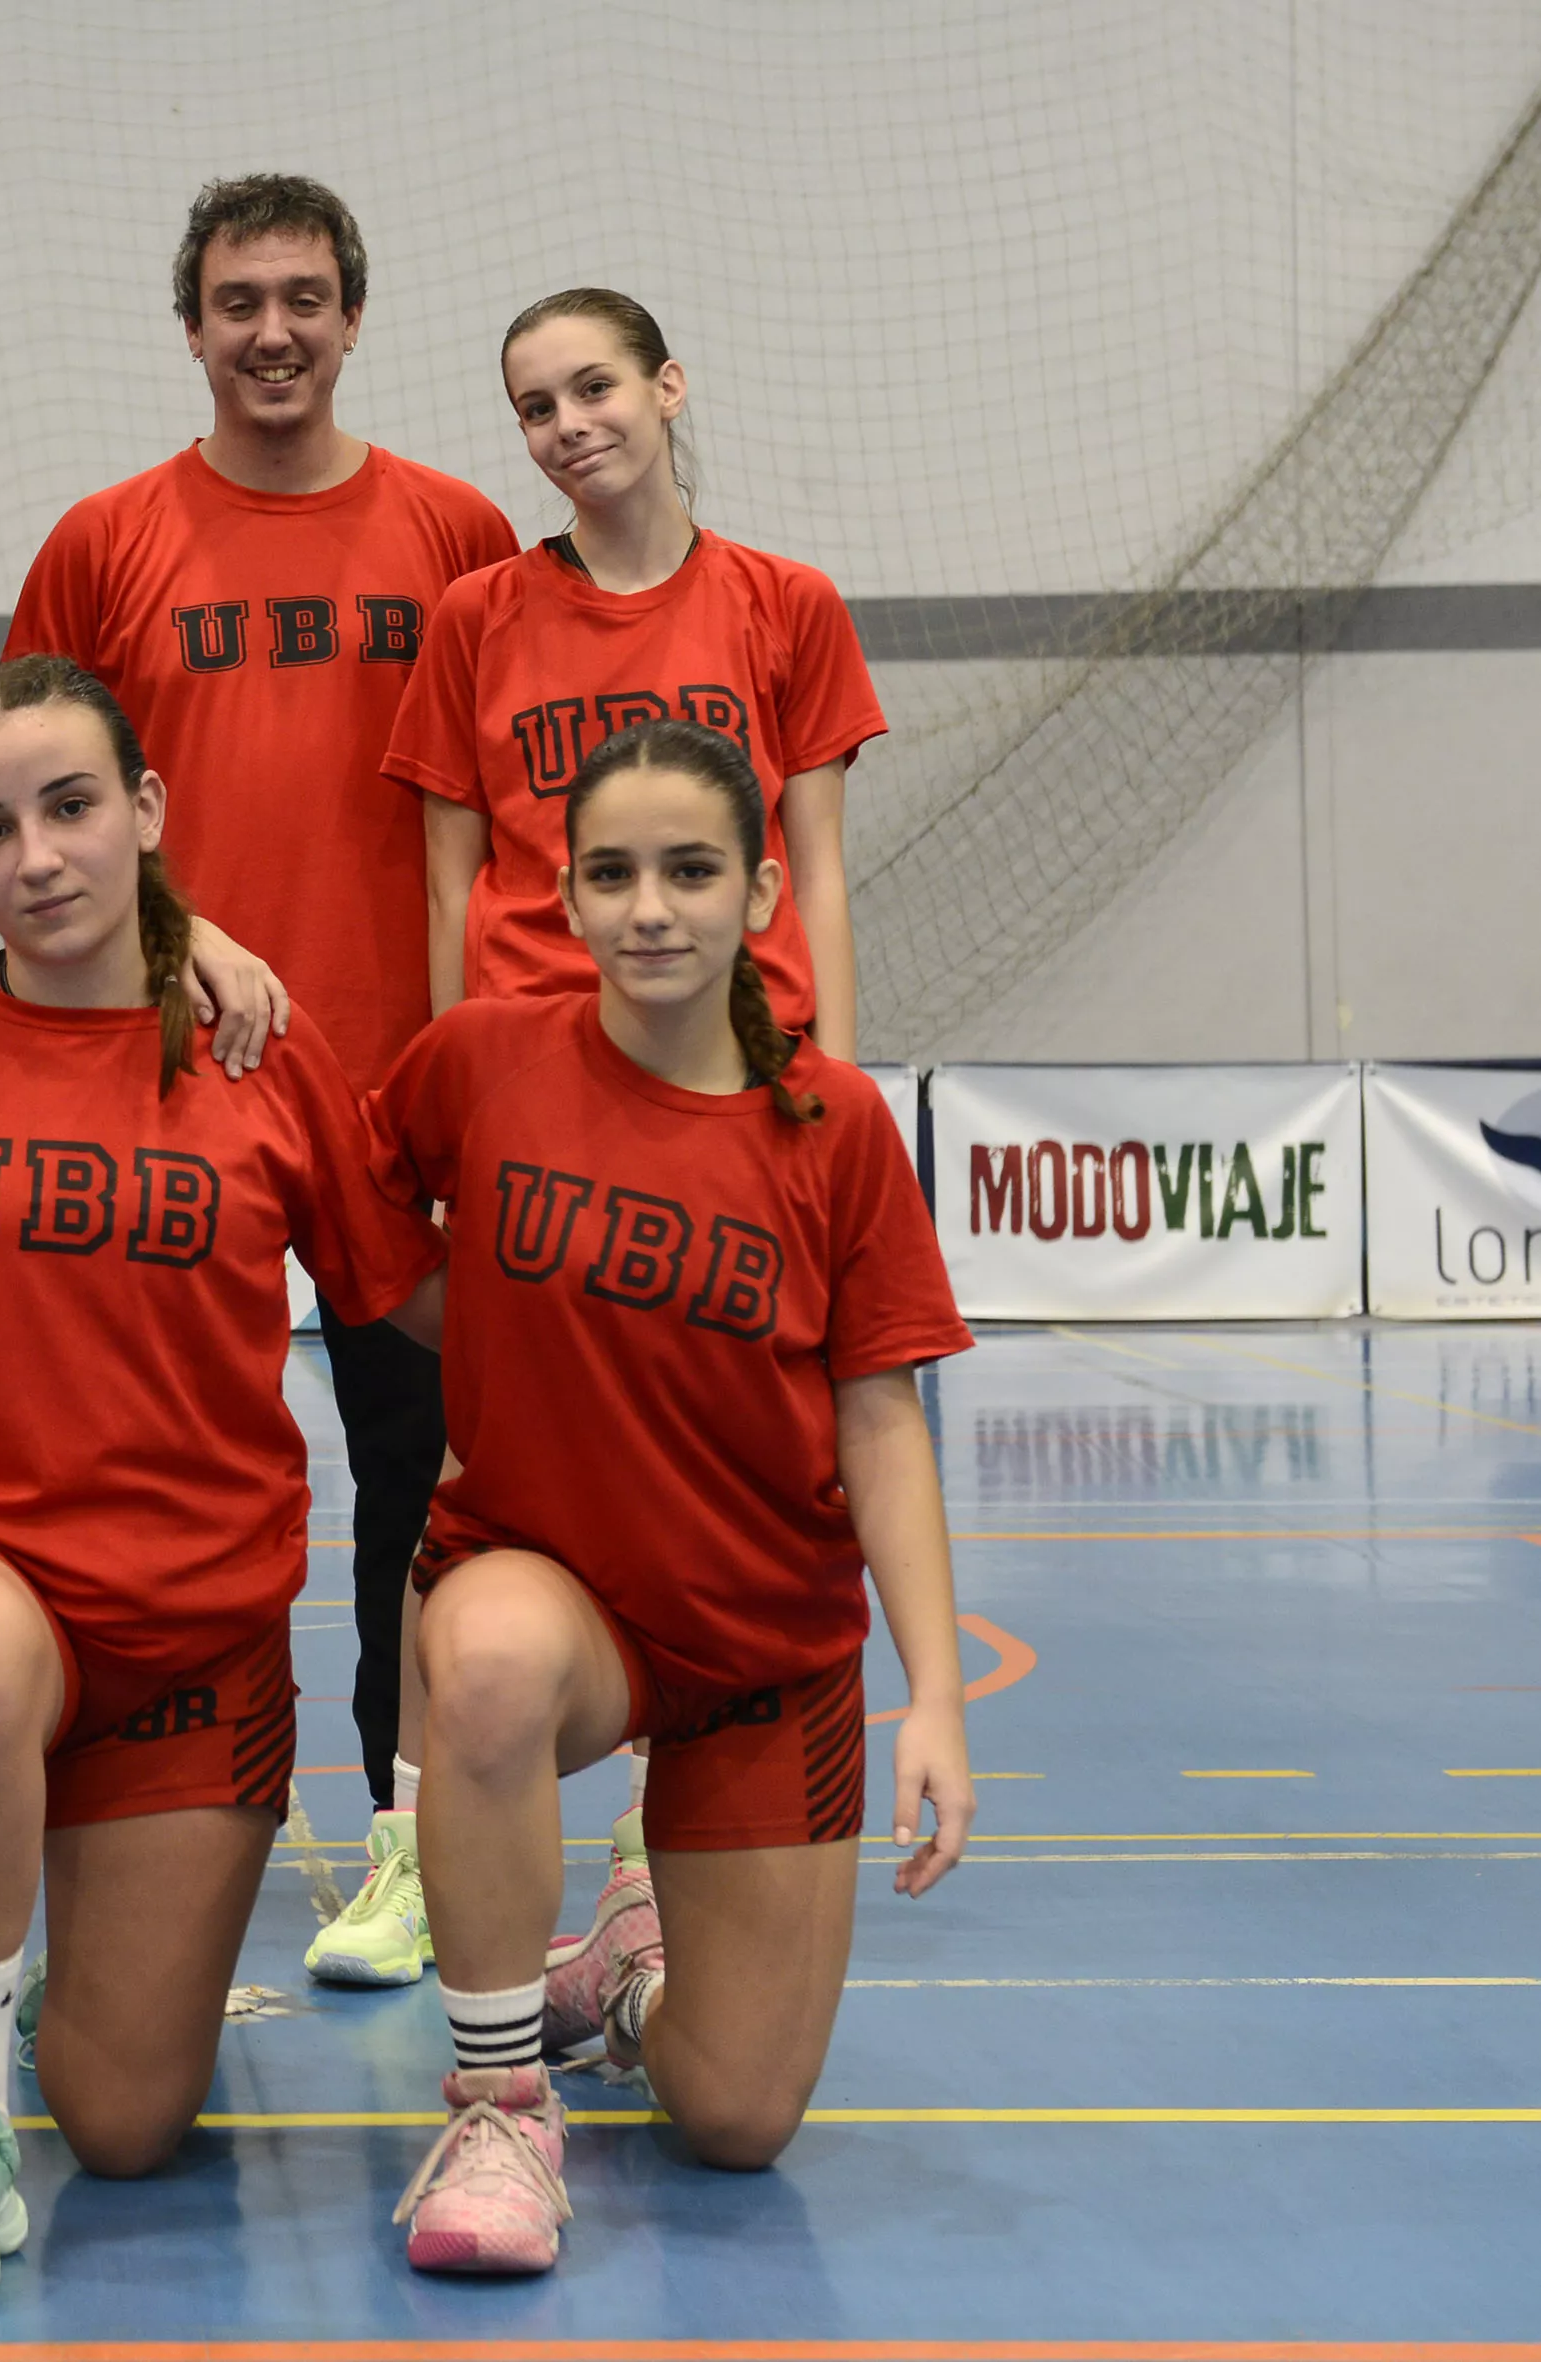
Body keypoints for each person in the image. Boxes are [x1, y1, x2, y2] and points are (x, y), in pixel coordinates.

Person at [0, 655, 443, 2299]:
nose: (37, 856)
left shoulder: (261, 1049)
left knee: (130, 2117)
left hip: (184, 1627)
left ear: (144, 811)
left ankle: (5, 1945)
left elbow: (410, 1299)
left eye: (73, 806)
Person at [367, 717, 972, 2277]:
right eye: (612, 872)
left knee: (731, 2119)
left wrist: (936, 1694)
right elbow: (350, 1191)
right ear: (559, 896)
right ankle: (500, 2101)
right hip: (550, 1593)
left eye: (689, 870)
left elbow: (879, 1417)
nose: (650, 907)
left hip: (761, 1647)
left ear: (761, 889)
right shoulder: (483, 1057)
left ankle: (627, 1972)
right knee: (483, 1660)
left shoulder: (832, 1128)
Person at [3, 174, 514, 1991]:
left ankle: (403, 1834)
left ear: (354, 315)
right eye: (237, 300)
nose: (272, 330)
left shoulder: (453, 529)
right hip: (167, 1101)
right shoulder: (103, 541)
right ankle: (97, 1820)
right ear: (192, 323)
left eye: (304, 296)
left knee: (420, 1479)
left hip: (391, 1096)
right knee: (140, 1471)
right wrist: (156, 938)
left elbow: (509, 811)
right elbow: (21, 803)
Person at [392, 287, 883, 1059]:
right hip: (538, 1055)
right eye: (537, 409)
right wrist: (463, 1089)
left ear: (666, 388)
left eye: (594, 388)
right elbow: (449, 890)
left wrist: (840, 1084)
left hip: (741, 1048)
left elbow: (817, 878)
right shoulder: (474, 616)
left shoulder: (789, 603)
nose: (570, 425)